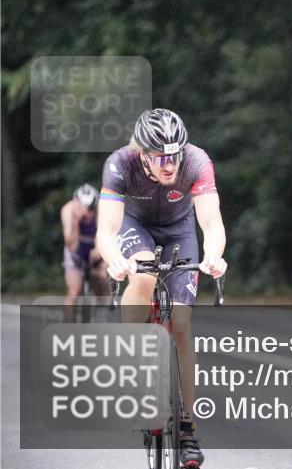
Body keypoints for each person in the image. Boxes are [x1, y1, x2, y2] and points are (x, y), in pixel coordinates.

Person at [96, 108, 227, 468]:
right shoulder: (120, 164)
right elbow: (106, 231)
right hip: (134, 226)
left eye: (175, 156)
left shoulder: (197, 161)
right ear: (143, 155)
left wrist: (214, 256)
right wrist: (115, 261)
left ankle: (187, 429)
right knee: (143, 273)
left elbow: (211, 222)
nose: (170, 165)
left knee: (182, 327)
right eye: (161, 158)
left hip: (179, 230)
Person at [61, 183, 106, 321]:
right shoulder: (67, 211)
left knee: (102, 278)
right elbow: (72, 246)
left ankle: (104, 317)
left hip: (97, 248)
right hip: (75, 252)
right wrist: (76, 221)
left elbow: (106, 237)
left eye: (91, 209)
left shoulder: (102, 210)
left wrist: (99, 253)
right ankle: (69, 333)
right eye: (84, 208)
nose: (87, 213)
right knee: (74, 292)